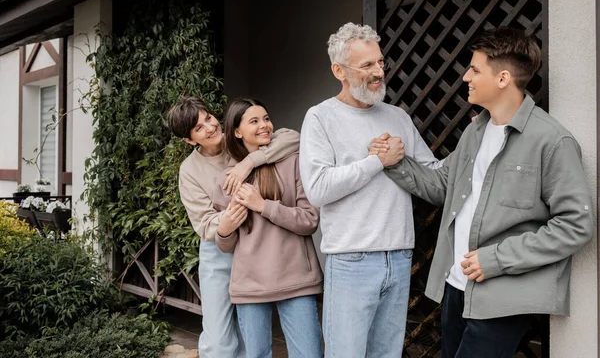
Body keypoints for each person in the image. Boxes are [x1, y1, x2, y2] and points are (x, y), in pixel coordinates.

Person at [382, 27, 595, 357]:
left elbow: (575, 225)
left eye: (475, 69)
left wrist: (496, 259)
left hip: (502, 296)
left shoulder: (552, 141)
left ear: (503, 78)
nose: (466, 76)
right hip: (456, 287)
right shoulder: (474, 131)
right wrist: (394, 162)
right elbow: (442, 186)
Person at [298, 22, 441, 357]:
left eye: (380, 62)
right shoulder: (320, 117)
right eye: (367, 66)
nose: (379, 72)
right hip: (352, 259)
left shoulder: (397, 116)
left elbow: (432, 172)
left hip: (400, 254)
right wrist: (375, 161)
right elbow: (318, 189)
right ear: (339, 70)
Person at [167, 96, 300, 358]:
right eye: (199, 128)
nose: (209, 127)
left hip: (257, 244)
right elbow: (204, 223)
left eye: (208, 118)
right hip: (219, 253)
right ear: (190, 140)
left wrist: (249, 162)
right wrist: (229, 218)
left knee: (251, 330)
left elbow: (292, 138)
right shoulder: (189, 170)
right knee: (219, 339)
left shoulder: (239, 139)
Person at [212, 98, 323, 358]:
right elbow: (226, 245)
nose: (264, 125)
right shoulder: (226, 181)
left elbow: (309, 221)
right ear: (237, 132)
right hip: (249, 285)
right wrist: (224, 229)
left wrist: (263, 205)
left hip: (297, 280)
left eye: (266, 118)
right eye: (254, 121)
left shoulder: (292, 161)